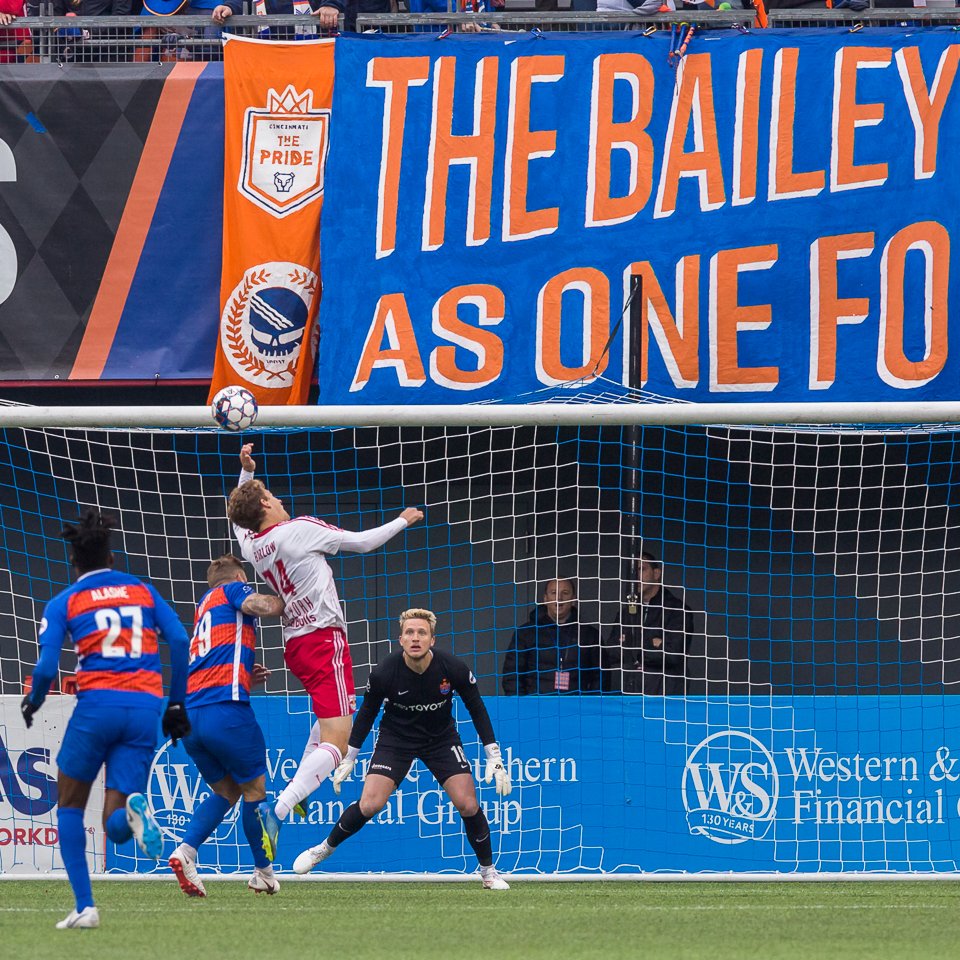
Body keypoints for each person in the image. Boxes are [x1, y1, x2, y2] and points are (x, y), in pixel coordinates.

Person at [228, 442, 423, 860]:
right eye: (273, 496)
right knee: (340, 739)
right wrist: (401, 521)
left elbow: (239, 527)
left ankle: (299, 791)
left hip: (295, 645)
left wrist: (244, 474)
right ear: (265, 502)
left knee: (326, 722)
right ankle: (276, 811)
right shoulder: (299, 528)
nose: (281, 500)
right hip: (323, 640)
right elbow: (363, 543)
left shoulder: (254, 548)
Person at [20, 508, 191, 930]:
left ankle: (85, 908)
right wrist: (175, 705)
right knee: (114, 822)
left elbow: (44, 671)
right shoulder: (142, 591)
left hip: (97, 706)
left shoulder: (65, 601)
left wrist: (34, 701)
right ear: (112, 560)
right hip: (144, 709)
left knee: (69, 805)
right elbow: (182, 640)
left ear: (74, 564)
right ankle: (133, 816)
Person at [292, 608, 513, 889]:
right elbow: (367, 714)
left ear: (432, 640)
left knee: (468, 804)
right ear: (401, 639)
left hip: (441, 739)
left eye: (422, 633)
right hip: (396, 740)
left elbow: (477, 709)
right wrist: (350, 756)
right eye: (410, 632)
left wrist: (493, 756)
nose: (416, 638)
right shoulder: (385, 672)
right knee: (370, 804)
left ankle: (488, 873)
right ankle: (324, 848)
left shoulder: (453, 668)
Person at [168, 554, 286, 898]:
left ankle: (186, 851)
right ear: (237, 576)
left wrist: (246, 674)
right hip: (225, 712)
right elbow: (256, 603)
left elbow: (215, 658)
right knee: (255, 792)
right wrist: (293, 600)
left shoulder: (204, 605)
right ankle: (264, 872)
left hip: (192, 716)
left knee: (227, 790)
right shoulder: (234, 589)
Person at [603, 551, 693, 695]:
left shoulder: (677, 610)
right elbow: (611, 653)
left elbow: (672, 655)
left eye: (641, 569)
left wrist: (631, 644)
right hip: (630, 696)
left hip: (664, 698)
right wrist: (653, 643)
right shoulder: (626, 612)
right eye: (633, 572)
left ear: (656, 573)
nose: (636, 576)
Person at [501, 578, 601, 695]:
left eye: (565, 593)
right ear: (545, 598)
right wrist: (524, 707)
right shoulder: (525, 633)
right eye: (553, 593)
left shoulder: (589, 635)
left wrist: (589, 708)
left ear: (573, 600)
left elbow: (600, 677)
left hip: (577, 709)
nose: (559, 598)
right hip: (536, 708)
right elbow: (512, 676)